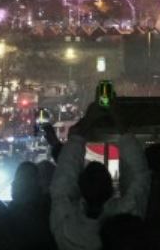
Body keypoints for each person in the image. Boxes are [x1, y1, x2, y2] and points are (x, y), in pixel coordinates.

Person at [50, 102, 149, 250]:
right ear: (112, 188)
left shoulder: (66, 226)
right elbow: (139, 176)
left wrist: (87, 122)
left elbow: (63, 180)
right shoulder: (125, 221)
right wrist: (120, 123)